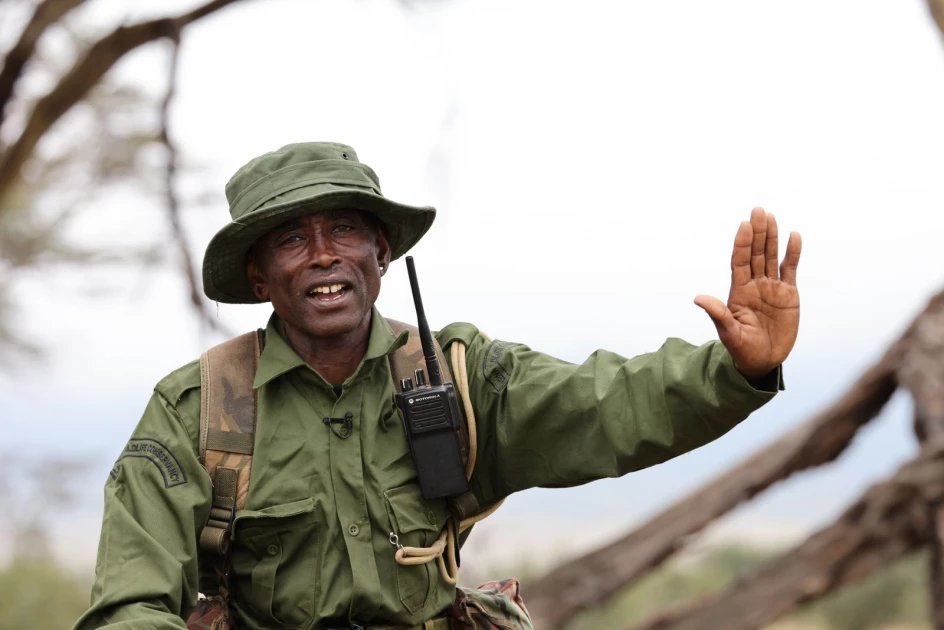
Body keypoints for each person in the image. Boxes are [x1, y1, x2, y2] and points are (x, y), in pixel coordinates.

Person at [73, 142, 801, 630]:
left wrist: (733, 370)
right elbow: (129, 606)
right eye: (292, 240)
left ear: (382, 252)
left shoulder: (458, 373)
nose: (324, 256)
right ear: (259, 275)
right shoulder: (197, 410)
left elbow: (604, 404)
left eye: (346, 231)